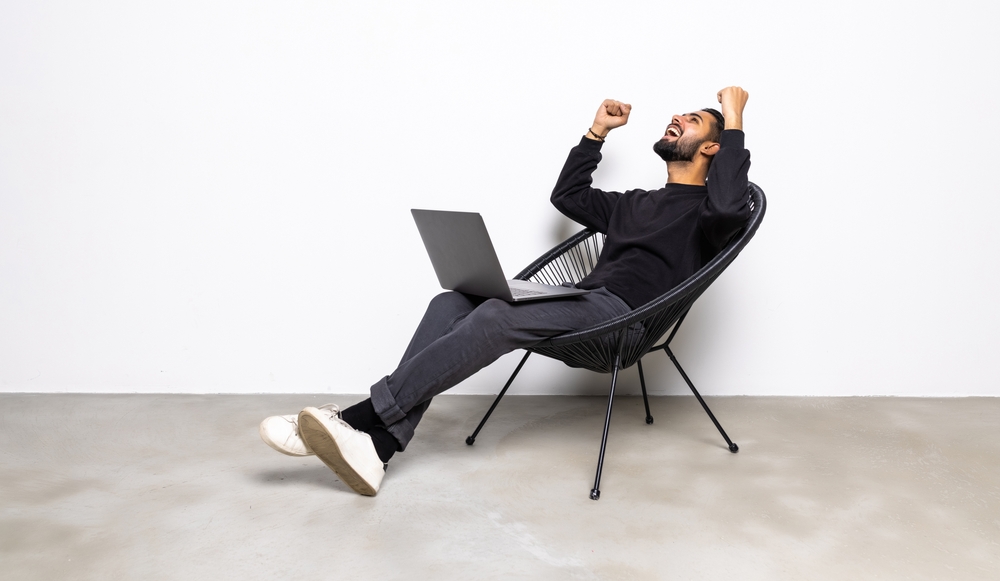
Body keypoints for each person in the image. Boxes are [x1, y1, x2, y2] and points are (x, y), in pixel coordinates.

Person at [259, 86, 752, 496]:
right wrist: (596, 132)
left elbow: (733, 206)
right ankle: (380, 448)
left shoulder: (708, 214)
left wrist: (733, 119)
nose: (675, 118)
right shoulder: (636, 203)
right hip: (579, 303)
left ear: (712, 148)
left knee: (496, 317)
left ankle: (359, 418)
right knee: (451, 301)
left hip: (620, 322)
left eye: (691, 121)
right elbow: (568, 197)